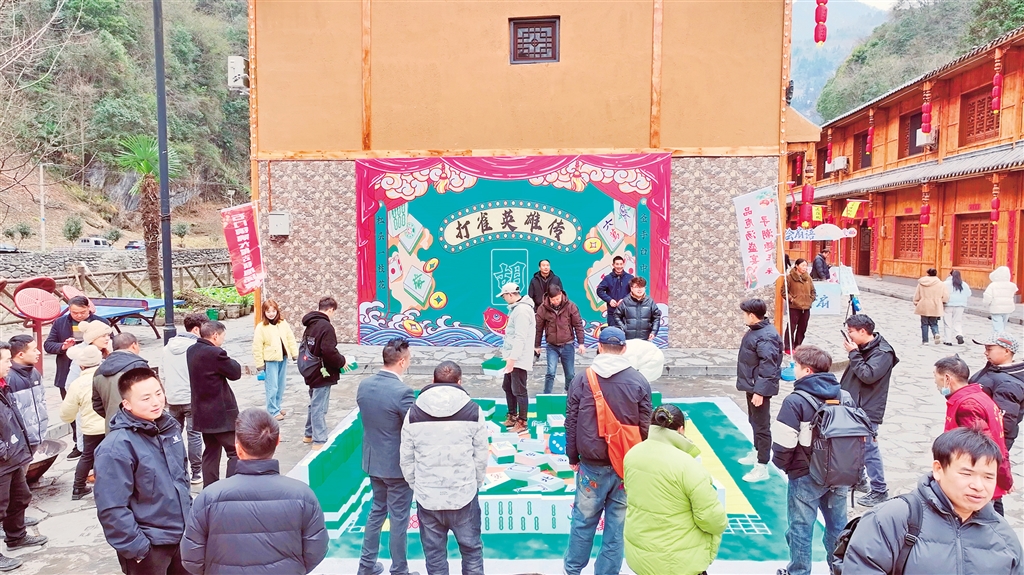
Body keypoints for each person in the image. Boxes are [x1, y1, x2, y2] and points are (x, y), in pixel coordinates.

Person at [840, 428, 1023, 574]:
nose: (978, 486)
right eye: (966, 473)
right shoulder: (891, 520)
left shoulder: (1002, 534)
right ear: (938, 469)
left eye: (988, 477)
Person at [181, 409, 328, 575]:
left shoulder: (209, 498)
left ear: (238, 448)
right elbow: (316, 550)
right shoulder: (303, 496)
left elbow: (191, 557)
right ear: (278, 441)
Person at [564, 326, 652, 575]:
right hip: (625, 465)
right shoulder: (639, 380)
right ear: (624, 349)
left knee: (583, 522)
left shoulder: (583, 379)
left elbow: (571, 421)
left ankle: (572, 570)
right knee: (616, 528)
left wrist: (572, 456)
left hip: (592, 464)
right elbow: (645, 426)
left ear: (599, 347)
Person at [94, 367, 191, 575]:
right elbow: (111, 507)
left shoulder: (169, 428)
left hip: (182, 537)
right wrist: (139, 549)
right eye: (146, 398)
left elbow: (182, 478)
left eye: (158, 393)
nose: (156, 402)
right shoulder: (116, 447)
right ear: (126, 404)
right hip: (149, 547)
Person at [400, 361, 487, 575]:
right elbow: (481, 456)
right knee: (472, 552)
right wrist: (474, 484)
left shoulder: (413, 413)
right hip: (464, 495)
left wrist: (417, 485)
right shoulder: (473, 411)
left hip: (428, 498)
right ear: (460, 382)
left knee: (435, 556)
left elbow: (406, 459)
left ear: (433, 381)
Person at [622, 405, 726, 575]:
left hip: (641, 556)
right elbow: (713, 520)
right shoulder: (688, 466)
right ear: (681, 429)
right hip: (679, 561)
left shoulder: (633, 454)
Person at [771, 345, 848, 575]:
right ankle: (839, 569)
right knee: (838, 526)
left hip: (806, 473)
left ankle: (799, 571)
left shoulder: (795, 401)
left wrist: (787, 467)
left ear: (807, 371)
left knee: (801, 527)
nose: (793, 369)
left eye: (796, 365)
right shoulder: (844, 396)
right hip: (840, 472)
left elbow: (784, 444)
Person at [355, 338, 418, 575]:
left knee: (377, 512)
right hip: (397, 467)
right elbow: (414, 427)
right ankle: (399, 569)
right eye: (409, 359)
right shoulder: (403, 392)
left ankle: (366, 565)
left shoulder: (364, 385)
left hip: (374, 461)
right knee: (399, 519)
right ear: (401, 362)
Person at [934, 355, 1013, 515]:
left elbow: (980, 448)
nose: (936, 383)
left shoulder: (968, 405)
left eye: (936, 378)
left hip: (973, 483)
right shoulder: (979, 396)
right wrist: (1005, 477)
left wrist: (1004, 480)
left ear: (947, 378)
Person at [840, 314, 899, 507]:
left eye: (851, 332)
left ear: (863, 331)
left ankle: (879, 490)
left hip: (868, 409)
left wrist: (853, 354)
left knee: (868, 450)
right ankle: (859, 480)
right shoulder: (863, 348)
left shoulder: (883, 353)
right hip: (853, 405)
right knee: (853, 446)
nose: (849, 335)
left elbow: (868, 375)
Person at [0, 342, 47, 571]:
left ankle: (16, 536)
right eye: (5, 360)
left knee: (19, 497)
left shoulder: (4, 386)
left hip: (13, 455)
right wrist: (4, 451)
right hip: (3, 458)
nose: (9, 364)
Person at [43, 295, 108, 459]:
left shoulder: (100, 323)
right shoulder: (60, 323)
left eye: (82, 312)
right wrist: (63, 346)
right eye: (74, 312)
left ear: (89, 309)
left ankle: (98, 442)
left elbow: (109, 343)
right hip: (68, 372)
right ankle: (78, 443)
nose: (78, 315)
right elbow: (48, 345)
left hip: (97, 373)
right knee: (72, 408)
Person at [188, 321, 242, 487]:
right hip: (221, 413)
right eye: (223, 336)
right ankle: (231, 487)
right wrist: (224, 355)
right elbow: (235, 372)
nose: (223, 340)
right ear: (215, 335)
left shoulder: (191, 350)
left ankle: (210, 488)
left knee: (211, 451)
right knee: (235, 451)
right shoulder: (215, 353)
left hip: (202, 412)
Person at [735, 298, 782, 483]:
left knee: (762, 426)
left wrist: (760, 392)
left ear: (752, 316)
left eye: (745, 314)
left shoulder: (766, 336)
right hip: (752, 385)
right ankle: (756, 452)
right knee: (753, 420)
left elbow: (768, 366)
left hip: (759, 388)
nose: (743, 317)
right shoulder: (756, 330)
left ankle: (762, 465)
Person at [162, 312, 208, 485]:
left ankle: (177, 470)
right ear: (196, 329)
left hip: (173, 398)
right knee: (194, 435)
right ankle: (196, 472)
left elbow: (163, 374)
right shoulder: (196, 347)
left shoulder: (167, 348)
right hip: (191, 397)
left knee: (173, 435)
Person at [300, 297, 347, 449]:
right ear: (331, 309)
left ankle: (308, 434)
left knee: (314, 402)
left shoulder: (311, 323)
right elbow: (329, 351)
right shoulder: (326, 327)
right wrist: (342, 361)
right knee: (319, 406)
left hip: (310, 368)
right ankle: (319, 440)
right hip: (322, 371)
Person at [59, 345, 105, 501]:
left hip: (91, 427)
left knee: (87, 456)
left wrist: (69, 418)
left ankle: (78, 487)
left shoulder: (77, 384)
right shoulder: (107, 378)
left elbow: (66, 413)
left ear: (81, 366)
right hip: (110, 424)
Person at [970, 333, 1024, 456]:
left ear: (1006, 351)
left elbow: (1004, 423)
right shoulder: (993, 368)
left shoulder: (1008, 384)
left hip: (985, 441)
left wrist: (991, 449)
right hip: (975, 432)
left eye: (989, 349)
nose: (985, 353)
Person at [497, 282, 535, 433]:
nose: (504, 299)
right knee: (507, 387)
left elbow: (520, 337)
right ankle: (512, 415)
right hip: (511, 356)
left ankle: (522, 421)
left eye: (504, 296)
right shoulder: (517, 309)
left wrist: (513, 359)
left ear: (510, 294)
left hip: (518, 358)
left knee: (519, 389)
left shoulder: (522, 311)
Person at [253, 299, 299, 421]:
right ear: (264, 312)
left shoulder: (283, 323)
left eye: (273, 311)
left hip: (283, 357)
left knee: (281, 385)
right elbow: (257, 347)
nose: (271, 314)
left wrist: (294, 354)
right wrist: (260, 365)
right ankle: (272, 410)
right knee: (272, 386)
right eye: (268, 311)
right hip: (270, 360)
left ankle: (277, 406)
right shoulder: (261, 327)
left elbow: (290, 338)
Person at [93, 333, 149, 433]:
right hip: (139, 427)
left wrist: (113, 416)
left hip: (113, 429)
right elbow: (149, 397)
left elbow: (97, 405)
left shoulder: (99, 371)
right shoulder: (138, 366)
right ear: (134, 345)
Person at [535, 285, 585, 394]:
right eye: (553, 300)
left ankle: (569, 393)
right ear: (549, 298)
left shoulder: (571, 306)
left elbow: (578, 325)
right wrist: (537, 345)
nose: (556, 301)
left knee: (570, 374)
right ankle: (546, 395)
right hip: (552, 346)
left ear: (561, 294)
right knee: (550, 372)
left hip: (568, 344)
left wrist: (581, 343)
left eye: (558, 298)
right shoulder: (543, 308)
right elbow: (538, 328)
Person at [6, 335, 47, 451]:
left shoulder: (34, 373)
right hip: (19, 443)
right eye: (34, 350)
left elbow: (42, 401)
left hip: (37, 436)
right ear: (20, 354)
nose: (38, 352)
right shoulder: (9, 378)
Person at [612, 276, 662, 341]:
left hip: (645, 338)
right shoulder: (625, 301)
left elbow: (656, 317)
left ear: (645, 288)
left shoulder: (650, 301)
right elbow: (616, 315)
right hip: (629, 338)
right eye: (636, 287)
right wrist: (623, 328)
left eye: (641, 287)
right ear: (631, 288)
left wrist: (653, 331)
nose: (639, 289)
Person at [783, 258, 815, 352]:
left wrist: (811, 299)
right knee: (791, 328)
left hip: (806, 307)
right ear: (797, 266)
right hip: (794, 307)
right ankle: (788, 347)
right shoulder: (789, 277)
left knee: (802, 328)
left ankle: (798, 346)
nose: (805, 267)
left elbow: (813, 291)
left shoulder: (808, 278)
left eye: (806, 265)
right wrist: (792, 299)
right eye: (803, 265)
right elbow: (784, 291)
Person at [914, 267, 948, 345]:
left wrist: (916, 302)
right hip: (935, 305)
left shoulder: (922, 283)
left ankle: (925, 341)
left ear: (928, 273)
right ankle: (936, 333)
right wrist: (941, 301)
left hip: (924, 304)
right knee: (934, 322)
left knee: (924, 323)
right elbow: (945, 296)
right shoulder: (941, 284)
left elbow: (917, 294)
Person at [596, 255, 634, 324]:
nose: (619, 266)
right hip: (612, 313)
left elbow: (634, 292)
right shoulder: (608, 278)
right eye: (617, 264)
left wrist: (624, 300)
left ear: (623, 264)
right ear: (613, 265)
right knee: (612, 330)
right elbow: (599, 290)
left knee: (626, 330)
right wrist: (609, 300)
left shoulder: (630, 278)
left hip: (626, 312)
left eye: (621, 264)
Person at [984, 266, 1018, 333]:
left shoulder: (993, 285)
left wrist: (986, 303)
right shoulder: (1012, 285)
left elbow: (987, 296)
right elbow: (1014, 292)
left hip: (996, 307)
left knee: (997, 325)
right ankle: (1001, 335)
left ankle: (999, 336)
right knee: (1003, 324)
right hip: (1008, 308)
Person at [943, 269, 971, 346]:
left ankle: (948, 340)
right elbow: (969, 294)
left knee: (947, 323)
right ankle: (959, 334)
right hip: (960, 305)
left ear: (950, 275)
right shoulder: (964, 284)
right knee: (957, 321)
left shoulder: (945, 283)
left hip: (948, 305)